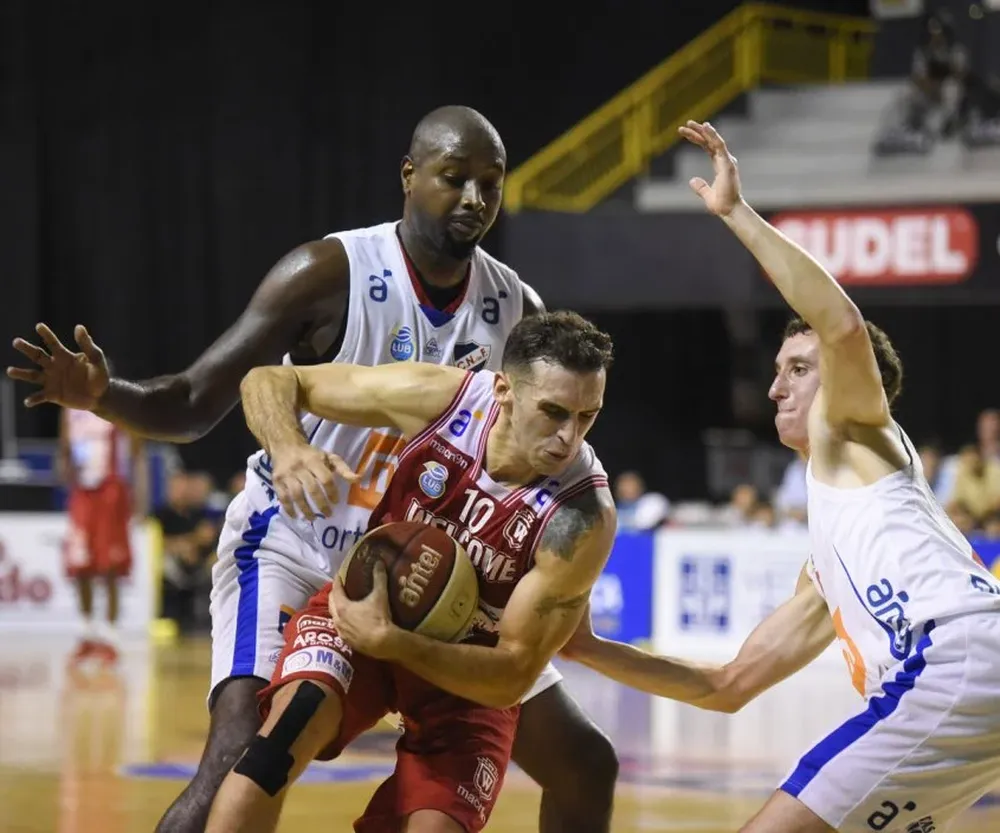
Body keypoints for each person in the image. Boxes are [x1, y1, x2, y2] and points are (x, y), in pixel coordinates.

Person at [7, 105, 619, 833]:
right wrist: (109, 396)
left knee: (584, 760)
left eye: (491, 183)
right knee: (239, 757)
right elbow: (198, 400)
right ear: (409, 175)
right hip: (295, 545)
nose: (474, 199)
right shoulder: (329, 270)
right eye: (454, 178)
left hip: (421, 566)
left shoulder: (518, 307)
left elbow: (530, 456)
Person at [561, 121, 1000, 833]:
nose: (775, 388)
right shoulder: (828, 563)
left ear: (855, 387)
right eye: (775, 371)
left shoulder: (858, 431)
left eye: (798, 369)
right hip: (967, 680)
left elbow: (846, 327)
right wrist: (588, 648)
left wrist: (736, 213)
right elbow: (726, 685)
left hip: (952, 658)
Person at [208, 310, 616, 833]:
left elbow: (513, 674)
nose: (568, 437)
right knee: (273, 750)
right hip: (362, 613)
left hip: (469, 670)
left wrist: (396, 643)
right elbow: (268, 380)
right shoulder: (445, 399)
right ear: (503, 391)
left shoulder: (582, 517)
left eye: (587, 417)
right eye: (554, 412)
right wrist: (289, 448)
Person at [58, 404, 147, 664]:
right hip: (82, 494)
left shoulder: (117, 407)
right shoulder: (69, 411)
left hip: (111, 492)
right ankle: (87, 633)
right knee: (80, 565)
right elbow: (64, 450)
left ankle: (110, 636)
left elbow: (137, 455)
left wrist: (139, 500)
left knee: (111, 566)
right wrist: (64, 475)